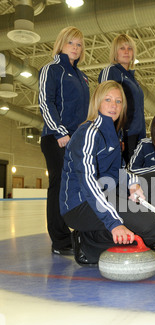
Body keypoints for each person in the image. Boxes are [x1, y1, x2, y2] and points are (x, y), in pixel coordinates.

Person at [59, 81, 155, 267]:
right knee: (151, 228)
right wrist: (113, 222)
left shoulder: (115, 134)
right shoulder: (89, 133)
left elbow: (119, 169)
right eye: (108, 100)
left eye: (118, 101)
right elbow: (88, 181)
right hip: (79, 204)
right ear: (98, 103)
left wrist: (133, 184)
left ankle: (100, 236)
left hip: (101, 195)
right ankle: (88, 244)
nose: (113, 105)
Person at [39, 26, 89, 255]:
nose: (75, 48)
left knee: (76, 188)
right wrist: (60, 132)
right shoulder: (51, 69)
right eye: (71, 43)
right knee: (59, 187)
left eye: (79, 44)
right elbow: (45, 102)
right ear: (61, 44)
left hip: (75, 141)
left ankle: (75, 232)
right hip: (55, 138)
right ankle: (59, 240)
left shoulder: (82, 76)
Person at [98, 34, 146, 164]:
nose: (126, 51)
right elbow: (103, 104)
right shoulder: (110, 71)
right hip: (122, 135)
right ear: (115, 52)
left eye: (129, 48)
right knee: (123, 177)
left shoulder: (133, 79)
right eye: (122, 48)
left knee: (135, 176)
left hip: (137, 135)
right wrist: (113, 136)